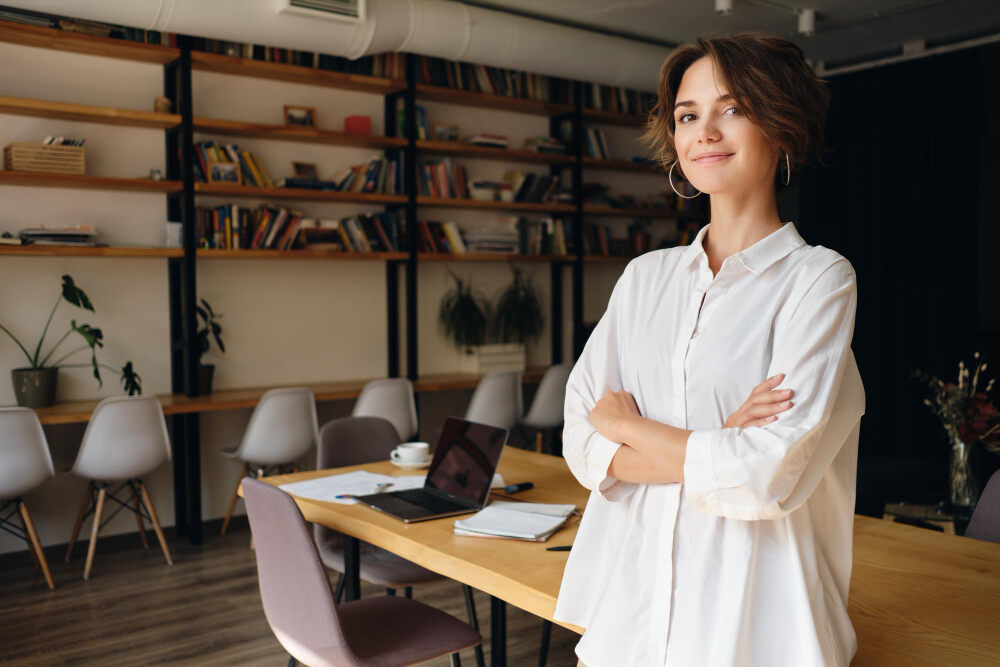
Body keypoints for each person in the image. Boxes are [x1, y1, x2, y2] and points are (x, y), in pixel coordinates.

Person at [554, 33, 866, 666]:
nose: (705, 132)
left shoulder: (819, 279)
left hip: (755, 621)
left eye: (733, 108)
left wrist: (630, 426)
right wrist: (717, 440)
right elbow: (582, 445)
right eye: (689, 116)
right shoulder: (645, 278)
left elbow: (766, 474)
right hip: (633, 616)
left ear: (781, 126)